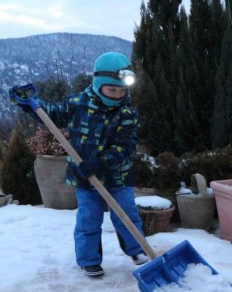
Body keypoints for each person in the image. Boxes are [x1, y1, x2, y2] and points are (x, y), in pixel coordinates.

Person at [11, 51, 149, 277]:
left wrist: (101, 163)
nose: (117, 95)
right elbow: (53, 115)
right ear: (99, 84)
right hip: (85, 178)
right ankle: (89, 260)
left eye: (122, 90)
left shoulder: (127, 113)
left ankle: (137, 250)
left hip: (117, 177)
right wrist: (30, 106)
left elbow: (125, 148)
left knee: (127, 213)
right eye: (112, 89)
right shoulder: (78, 103)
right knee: (88, 219)